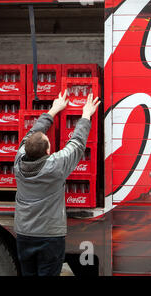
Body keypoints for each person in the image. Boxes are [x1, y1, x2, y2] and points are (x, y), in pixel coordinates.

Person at [13, 90, 100, 276]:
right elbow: (76, 143)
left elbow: (32, 133)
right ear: (47, 151)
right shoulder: (55, 167)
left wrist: (53, 110)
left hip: (24, 234)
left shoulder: (18, 161)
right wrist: (86, 114)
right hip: (49, 237)